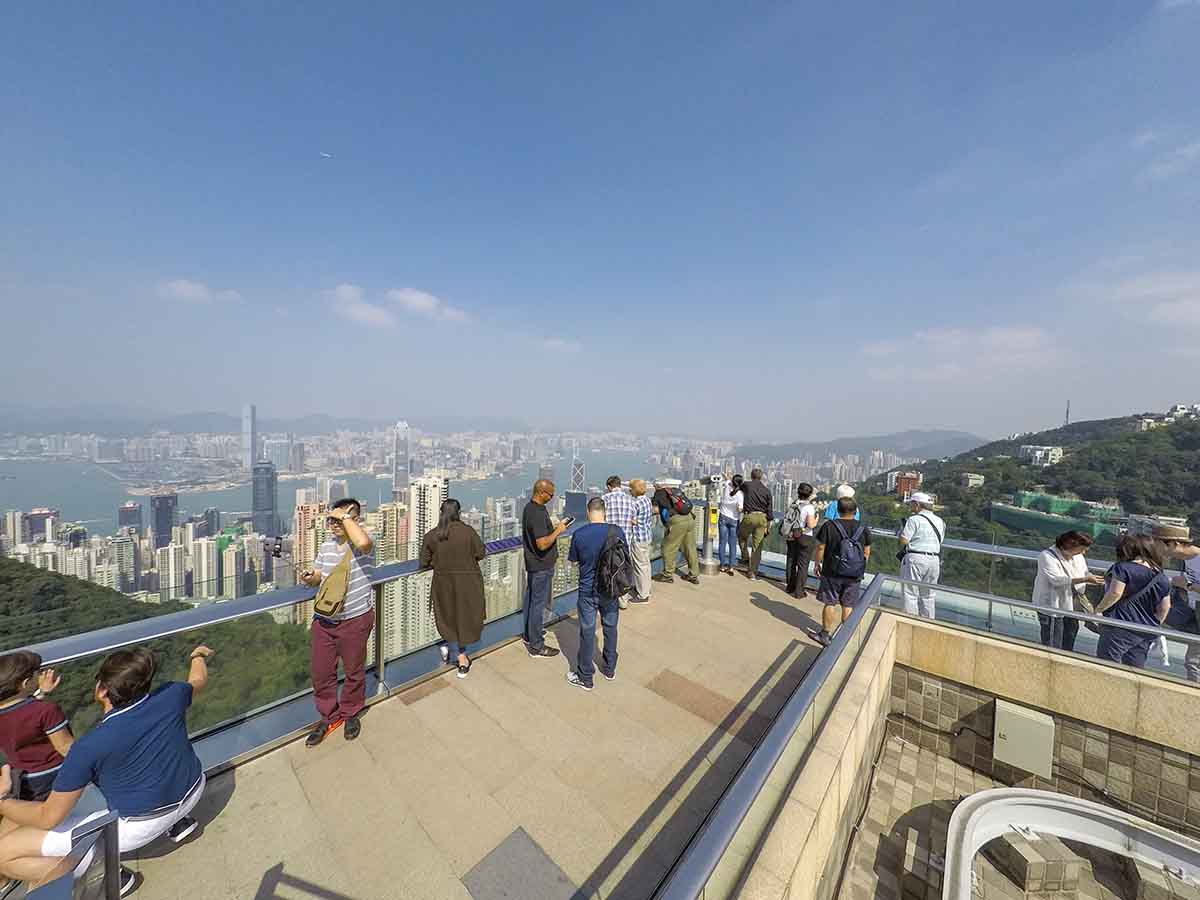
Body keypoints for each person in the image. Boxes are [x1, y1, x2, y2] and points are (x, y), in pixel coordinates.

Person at [0, 645, 214, 896]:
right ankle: (178, 824)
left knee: (4, 853)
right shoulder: (172, 695)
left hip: (139, 827)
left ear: (101, 691)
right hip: (194, 788)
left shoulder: (88, 747)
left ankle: (106, 873)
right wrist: (197, 655)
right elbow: (198, 679)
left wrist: (3, 800)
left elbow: (49, 817)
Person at [298, 497, 375, 746]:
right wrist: (310, 577)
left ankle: (351, 712)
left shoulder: (366, 538)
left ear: (354, 519)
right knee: (321, 672)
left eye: (339, 519)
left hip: (355, 618)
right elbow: (320, 575)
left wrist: (344, 516)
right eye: (331, 520)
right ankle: (329, 716)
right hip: (325, 619)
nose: (333, 524)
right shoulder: (326, 546)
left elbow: (362, 542)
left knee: (354, 670)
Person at [565, 497, 626, 691]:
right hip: (610, 588)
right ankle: (609, 668)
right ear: (604, 511)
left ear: (588, 511)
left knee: (588, 631)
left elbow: (573, 561)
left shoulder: (579, 534)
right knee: (610, 627)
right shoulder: (617, 531)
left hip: (587, 590)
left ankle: (585, 677)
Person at [421, 499, 486, 679]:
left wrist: (437, 562)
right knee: (464, 617)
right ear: (459, 512)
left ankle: (456, 652)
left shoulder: (433, 535)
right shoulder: (468, 532)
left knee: (447, 617)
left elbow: (423, 561)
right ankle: (461, 657)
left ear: (441, 512)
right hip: (468, 582)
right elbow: (480, 553)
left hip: (444, 583)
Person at [0, 652, 73, 802]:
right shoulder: (46, 710)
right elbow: (67, 748)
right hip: (54, 777)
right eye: (37, 674)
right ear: (26, 683)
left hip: (22, 781)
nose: (40, 676)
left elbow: (19, 714)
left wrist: (41, 693)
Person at [1094, 533, 1172, 669]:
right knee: (1135, 668)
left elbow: (1115, 593)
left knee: (1107, 665)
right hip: (1145, 630)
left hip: (1118, 626)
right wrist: (1152, 622)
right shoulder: (1161, 576)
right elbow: (1165, 607)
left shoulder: (1122, 568)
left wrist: (1098, 610)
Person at [806, 497, 871, 647]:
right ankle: (845, 638)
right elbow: (867, 552)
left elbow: (821, 547)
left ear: (838, 510)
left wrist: (817, 563)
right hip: (854, 573)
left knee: (830, 602)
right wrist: (859, 566)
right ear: (855, 511)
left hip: (832, 571)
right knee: (848, 605)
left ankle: (825, 634)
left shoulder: (829, 526)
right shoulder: (863, 528)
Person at [1032, 531, 1105, 651]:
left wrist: (1091, 578)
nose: (1083, 552)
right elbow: (1056, 580)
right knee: (1053, 641)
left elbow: (1084, 572)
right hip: (1052, 605)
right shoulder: (1047, 556)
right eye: (1081, 549)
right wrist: (1085, 579)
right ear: (1071, 545)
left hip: (1072, 605)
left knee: (1069, 638)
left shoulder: (1078, 557)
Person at [521, 479, 568, 659]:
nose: (552, 497)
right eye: (550, 494)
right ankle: (536, 646)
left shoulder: (529, 508)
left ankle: (529, 635)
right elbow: (542, 544)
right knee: (537, 605)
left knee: (531, 601)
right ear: (541, 492)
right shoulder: (537, 513)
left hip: (534, 565)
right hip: (541, 565)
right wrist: (559, 530)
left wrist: (553, 528)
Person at [1154, 523, 1200, 682]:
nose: (1157, 548)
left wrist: (1187, 585)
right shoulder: (1189, 560)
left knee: (1193, 662)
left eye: (1159, 544)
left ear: (1174, 543)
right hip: (1194, 611)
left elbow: (1189, 584)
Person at [897, 492, 946, 619]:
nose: (910, 506)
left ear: (917, 505)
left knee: (910, 593)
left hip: (915, 558)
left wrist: (901, 532)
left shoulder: (913, 520)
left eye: (911, 504)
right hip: (934, 559)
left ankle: (910, 620)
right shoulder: (940, 521)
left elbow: (904, 540)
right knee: (929, 595)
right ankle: (928, 622)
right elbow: (939, 541)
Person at [652, 479, 700, 584]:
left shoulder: (658, 493)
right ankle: (693, 575)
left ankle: (667, 575)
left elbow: (655, 510)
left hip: (677, 522)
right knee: (690, 547)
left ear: (656, 486)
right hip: (689, 518)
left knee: (668, 547)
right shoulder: (674, 491)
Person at [601, 476, 635, 609]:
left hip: (609, 540)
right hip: (625, 540)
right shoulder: (630, 500)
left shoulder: (605, 499)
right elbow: (634, 519)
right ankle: (623, 600)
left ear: (609, 486)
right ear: (619, 485)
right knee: (624, 568)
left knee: (607, 569)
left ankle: (609, 598)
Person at [779, 483, 818, 597]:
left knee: (791, 561)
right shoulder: (809, 507)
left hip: (792, 535)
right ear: (809, 494)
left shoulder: (793, 504)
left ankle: (790, 587)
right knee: (802, 565)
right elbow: (810, 525)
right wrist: (816, 520)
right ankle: (799, 592)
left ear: (798, 492)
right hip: (804, 537)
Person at [737, 469, 773, 581]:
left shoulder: (747, 485)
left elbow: (737, 485)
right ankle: (752, 573)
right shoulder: (767, 491)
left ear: (751, 476)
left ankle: (745, 557)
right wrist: (768, 526)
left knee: (741, 535)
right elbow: (770, 512)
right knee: (757, 547)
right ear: (761, 477)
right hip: (763, 518)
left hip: (750, 516)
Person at [627, 480, 654, 604]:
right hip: (647, 536)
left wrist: (632, 521)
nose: (629, 490)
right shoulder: (647, 500)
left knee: (639, 565)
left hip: (638, 537)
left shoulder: (636, 503)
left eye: (630, 488)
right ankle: (645, 589)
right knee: (645, 564)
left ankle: (643, 595)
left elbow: (632, 519)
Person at [717, 474, 745, 575]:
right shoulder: (740, 494)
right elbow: (740, 509)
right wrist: (738, 508)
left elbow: (727, 480)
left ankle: (722, 565)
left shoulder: (727, 487)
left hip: (723, 517)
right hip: (734, 520)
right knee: (732, 544)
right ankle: (731, 567)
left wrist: (727, 476)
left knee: (722, 542)